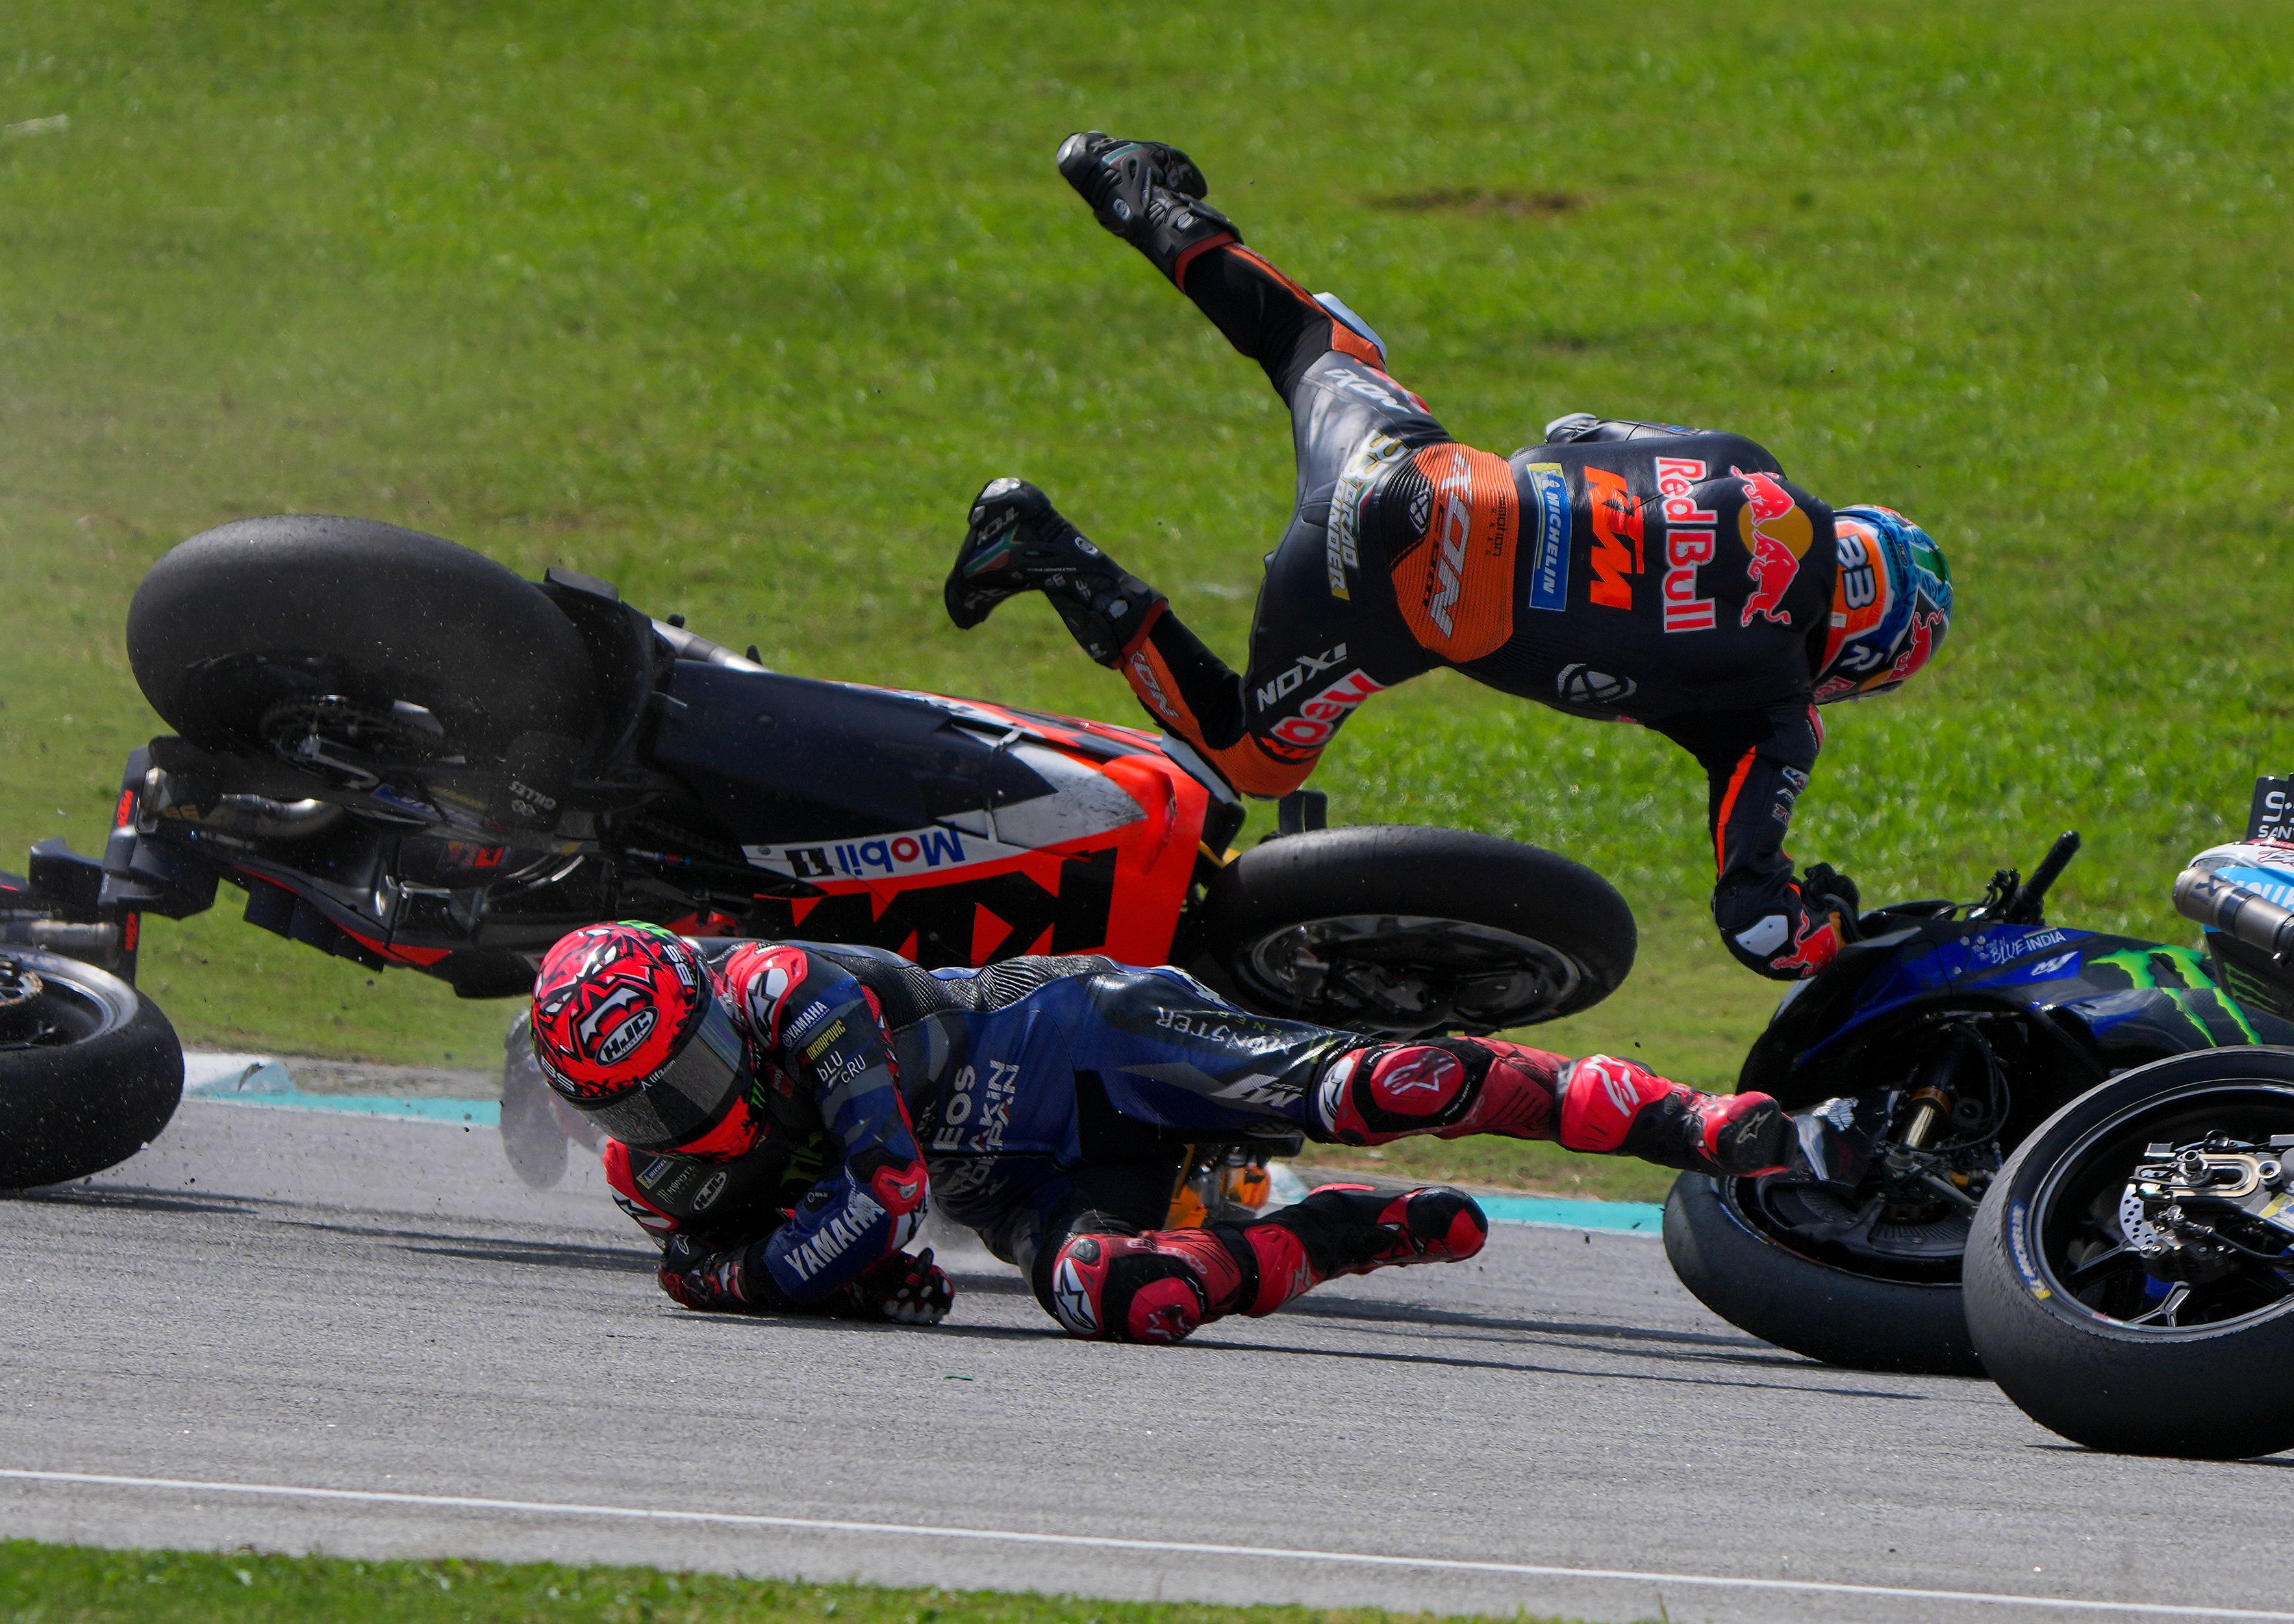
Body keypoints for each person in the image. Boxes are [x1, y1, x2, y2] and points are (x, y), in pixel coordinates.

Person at [944, 134, 1955, 982]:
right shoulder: (1779, 712)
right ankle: (1049, 553)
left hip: (1405, 469)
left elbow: (1571, 430)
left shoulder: (1749, 467)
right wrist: (1834, 929)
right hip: (1374, 604)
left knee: (1310, 343)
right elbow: (1759, 927)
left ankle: (1137, 192)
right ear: (1859, 662)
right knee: (1246, 756)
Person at [529, 920, 1804, 1341]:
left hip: (1073, 1044)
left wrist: (756, 1271)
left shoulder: (787, 993)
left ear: (707, 1003)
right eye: (644, 1096)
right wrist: (788, 1274)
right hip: (1028, 1191)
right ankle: (1342, 1230)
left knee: (1384, 1085)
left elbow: (884, 1185)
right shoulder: (658, 1174)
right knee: (1120, 1297)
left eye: (687, 1060)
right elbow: (828, 1269)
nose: (683, 1101)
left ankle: (1690, 1120)